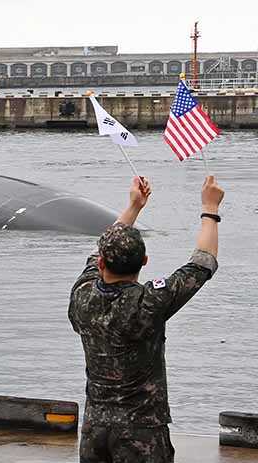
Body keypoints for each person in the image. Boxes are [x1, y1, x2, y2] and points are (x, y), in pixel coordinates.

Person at [69, 175, 224, 463]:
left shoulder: (82, 295)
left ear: (101, 263)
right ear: (144, 262)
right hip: (142, 430)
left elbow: (99, 249)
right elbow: (203, 262)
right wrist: (210, 208)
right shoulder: (149, 302)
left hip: (95, 428)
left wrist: (133, 207)